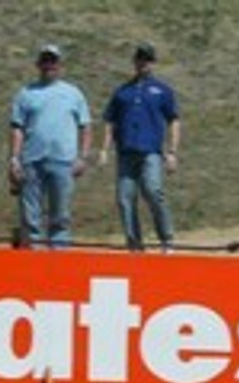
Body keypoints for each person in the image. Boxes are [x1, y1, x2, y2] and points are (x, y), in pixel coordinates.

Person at [9, 44, 92, 249]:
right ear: (38, 64)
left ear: (60, 65)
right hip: (32, 160)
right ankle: (35, 263)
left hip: (63, 161)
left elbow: (86, 126)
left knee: (60, 216)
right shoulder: (26, 93)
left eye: (52, 61)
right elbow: (17, 128)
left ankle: (59, 263)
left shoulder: (73, 93)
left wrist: (83, 156)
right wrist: (14, 158)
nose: (49, 66)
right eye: (45, 61)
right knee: (31, 217)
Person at [99, 43, 180, 253]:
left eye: (147, 59)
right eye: (140, 59)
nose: (143, 63)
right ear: (134, 61)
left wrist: (172, 152)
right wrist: (105, 149)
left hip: (150, 152)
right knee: (125, 198)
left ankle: (166, 238)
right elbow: (109, 120)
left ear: (152, 63)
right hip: (126, 153)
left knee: (153, 191)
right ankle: (134, 244)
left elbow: (174, 120)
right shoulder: (122, 92)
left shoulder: (162, 90)